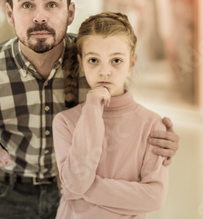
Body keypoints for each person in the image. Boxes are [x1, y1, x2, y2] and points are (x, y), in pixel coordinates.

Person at [0, 0, 180, 219]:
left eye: (51, 4)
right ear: (10, 14)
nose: (40, 16)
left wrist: (160, 145)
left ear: (70, 12)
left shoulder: (94, 59)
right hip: (9, 193)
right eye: (27, 5)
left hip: (81, 200)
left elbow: (126, 130)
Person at [53, 12, 168, 218]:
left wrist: (82, 190)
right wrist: (92, 109)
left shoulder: (152, 125)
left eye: (116, 60)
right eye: (94, 60)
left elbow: (154, 197)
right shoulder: (64, 122)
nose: (104, 71)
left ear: (132, 63)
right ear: (81, 62)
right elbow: (76, 180)